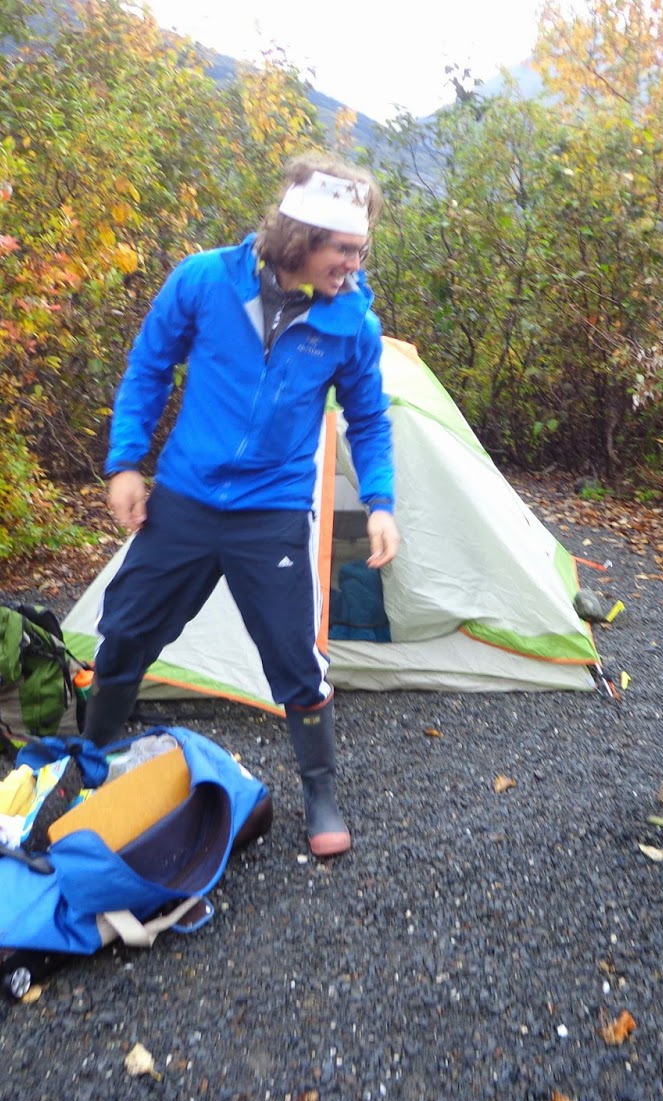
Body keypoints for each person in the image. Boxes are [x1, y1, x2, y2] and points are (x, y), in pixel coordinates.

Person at [81, 153, 399, 859]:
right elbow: (149, 367)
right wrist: (126, 461)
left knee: (295, 657)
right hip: (186, 498)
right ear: (299, 237)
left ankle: (320, 792)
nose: (354, 264)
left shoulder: (352, 322)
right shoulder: (203, 280)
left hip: (272, 508)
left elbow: (370, 419)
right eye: (343, 249)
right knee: (126, 632)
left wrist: (379, 500)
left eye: (360, 249)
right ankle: (90, 760)